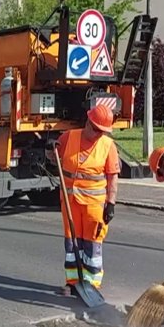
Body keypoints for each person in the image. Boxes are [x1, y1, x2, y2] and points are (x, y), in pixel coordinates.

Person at [48, 104, 121, 296]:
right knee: (72, 243)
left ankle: (92, 284)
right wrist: (51, 149)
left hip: (94, 204)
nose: (99, 134)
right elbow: (53, 157)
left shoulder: (108, 146)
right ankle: (72, 281)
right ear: (88, 123)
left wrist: (111, 203)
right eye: (97, 129)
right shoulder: (69, 137)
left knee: (93, 243)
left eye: (103, 131)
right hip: (70, 201)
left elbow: (113, 177)